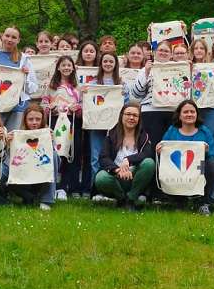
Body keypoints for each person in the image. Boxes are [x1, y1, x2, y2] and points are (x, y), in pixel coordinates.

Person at [160, 100, 214, 215]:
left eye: (192, 112)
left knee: (211, 165)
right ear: (180, 115)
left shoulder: (204, 131)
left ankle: (203, 202)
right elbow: (164, 149)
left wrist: (206, 152)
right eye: (185, 112)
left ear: (197, 114)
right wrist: (160, 149)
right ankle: (179, 201)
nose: (189, 114)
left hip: (199, 168)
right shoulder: (172, 130)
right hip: (177, 168)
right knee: (163, 167)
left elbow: (212, 154)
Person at [95, 103, 156, 210]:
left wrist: (128, 159)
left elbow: (147, 153)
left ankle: (131, 198)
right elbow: (103, 157)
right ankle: (122, 199)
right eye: (128, 114)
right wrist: (117, 170)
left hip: (135, 176)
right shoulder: (111, 134)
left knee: (149, 163)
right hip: (116, 177)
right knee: (101, 177)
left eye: (135, 115)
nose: (131, 118)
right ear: (121, 116)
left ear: (139, 118)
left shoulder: (144, 135)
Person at [43, 55, 83, 197]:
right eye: (63, 65)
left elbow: (83, 106)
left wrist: (77, 109)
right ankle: (56, 186)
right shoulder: (51, 86)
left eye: (69, 65)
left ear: (73, 67)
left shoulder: (78, 87)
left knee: (72, 153)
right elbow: (44, 104)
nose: (66, 67)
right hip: (56, 123)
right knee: (58, 153)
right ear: (58, 67)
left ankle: (71, 187)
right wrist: (50, 108)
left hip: (73, 123)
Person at [4, 103, 57, 210]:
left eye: (38, 119)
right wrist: (8, 144)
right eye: (31, 119)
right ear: (25, 120)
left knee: (54, 156)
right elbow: (11, 159)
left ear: (42, 120)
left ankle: (46, 199)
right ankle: (30, 197)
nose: (34, 122)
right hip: (24, 174)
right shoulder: (17, 134)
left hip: (42, 174)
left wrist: (51, 141)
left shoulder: (48, 133)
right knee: (6, 176)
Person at [127, 40, 176, 149]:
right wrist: (146, 73)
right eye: (160, 50)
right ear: (154, 52)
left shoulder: (178, 69)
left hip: (172, 111)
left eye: (166, 51)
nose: (163, 53)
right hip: (151, 111)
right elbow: (136, 93)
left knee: (171, 147)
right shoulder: (145, 70)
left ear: (171, 55)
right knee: (152, 146)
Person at [86, 50, 123, 194]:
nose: (108, 64)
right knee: (95, 157)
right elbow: (88, 103)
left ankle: (109, 190)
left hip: (115, 127)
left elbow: (124, 103)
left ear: (115, 64)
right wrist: (85, 92)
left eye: (111, 62)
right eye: (105, 61)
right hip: (96, 125)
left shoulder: (120, 83)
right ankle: (95, 190)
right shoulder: (93, 83)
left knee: (113, 157)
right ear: (101, 64)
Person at [0, 26, 39, 131]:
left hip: (18, 107)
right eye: (7, 36)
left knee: (14, 139)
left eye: (13, 37)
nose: (9, 39)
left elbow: (33, 88)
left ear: (18, 40)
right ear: (2, 36)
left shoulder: (24, 59)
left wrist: (25, 77)